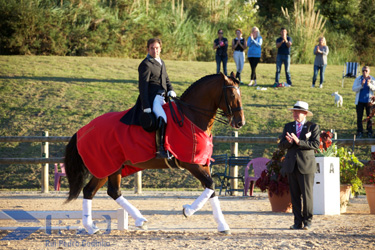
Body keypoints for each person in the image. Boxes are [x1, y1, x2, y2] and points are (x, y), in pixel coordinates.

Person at [120, 38, 176, 158]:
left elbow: (166, 78)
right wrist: (146, 106)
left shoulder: (161, 62)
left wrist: (170, 89)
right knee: (163, 118)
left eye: (157, 48)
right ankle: (160, 149)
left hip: (164, 97)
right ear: (148, 49)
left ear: (160, 49)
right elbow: (143, 87)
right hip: (153, 98)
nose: (155, 50)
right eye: (152, 48)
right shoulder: (145, 64)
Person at [279, 101, 320, 230]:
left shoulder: (313, 127)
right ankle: (297, 222)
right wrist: (290, 143)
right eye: (294, 112)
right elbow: (281, 145)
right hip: (292, 165)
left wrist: (299, 142)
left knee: (307, 195)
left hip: (306, 165)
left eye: (298, 112)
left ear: (305, 113)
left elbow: (315, 145)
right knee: (295, 196)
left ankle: (307, 222)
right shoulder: (288, 126)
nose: (295, 114)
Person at [352, 66, 375, 138]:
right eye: (363, 71)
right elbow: (354, 89)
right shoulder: (358, 79)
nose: (364, 72)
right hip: (359, 101)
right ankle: (360, 131)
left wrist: (369, 84)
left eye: (366, 71)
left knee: (369, 117)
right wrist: (361, 85)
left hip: (369, 101)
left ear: (369, 72)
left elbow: (374, 88)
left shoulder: (372, 79)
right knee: (359, 117)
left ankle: (369, 131)